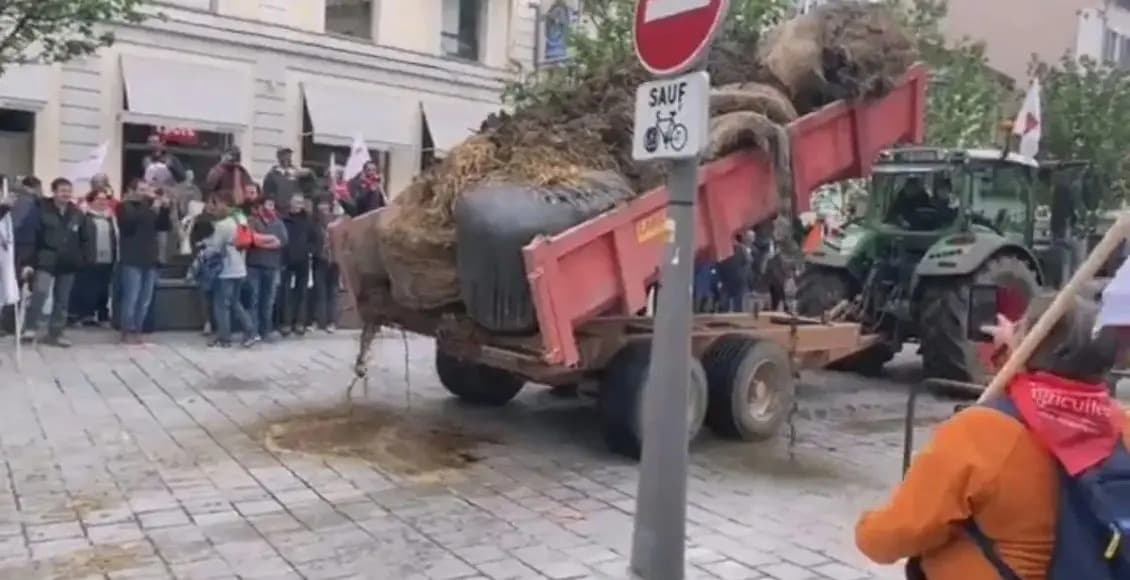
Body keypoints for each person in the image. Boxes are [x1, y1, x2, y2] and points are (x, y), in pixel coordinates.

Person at [856, 294, 1130, 579]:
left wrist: (866, 529)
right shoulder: (1121, 427)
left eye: (1022, 327)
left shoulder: (983, 432)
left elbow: (895, 536)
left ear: (1032, 345)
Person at [23, 178, 88, 347]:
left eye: (68, 190)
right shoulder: (41, 208)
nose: (66, 194)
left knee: (62, 299)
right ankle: (30, 328)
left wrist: (82, 257)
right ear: (54, 192)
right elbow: (33, 234)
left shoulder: (76, 213)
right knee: (40, 293)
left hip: (68, 261)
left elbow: (84, 237)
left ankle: (56, 333)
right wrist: (28, 260)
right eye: (62, 190)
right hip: (45, 258)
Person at [115, 181, 172, 343]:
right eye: (141, 190)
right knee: (131, 297)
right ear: (131, 190)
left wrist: (165, 209)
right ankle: (127, 330)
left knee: (145, 299)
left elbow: (163, 226)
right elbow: (130, 224)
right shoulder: (124, 207)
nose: (145, 193)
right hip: (132, 258)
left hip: (150, 258)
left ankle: (138, 329)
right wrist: (151, 207)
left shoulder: (149, 208)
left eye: (147, 190)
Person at [201, 191, 257, 348]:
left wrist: (205, 247)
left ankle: (225, 337)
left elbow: (215, 248)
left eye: (217, 204)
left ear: (224, 204)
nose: (215, 207)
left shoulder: (223, 225)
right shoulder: (241, 219)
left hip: (226, 269)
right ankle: (250, 332)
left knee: (221, 304)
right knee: (235, 302)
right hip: (240, 267)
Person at [71, 189, 118, 327]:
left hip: (108, 259)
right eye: (99, 199)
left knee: (103, 289)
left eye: (105, 199)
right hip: (89, 259)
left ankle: (103, 315)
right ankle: (85, 315)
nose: (103, 202)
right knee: (87, 288)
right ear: (91, 201)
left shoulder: (111, 218)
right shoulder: (84, 217)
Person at [244, 197, 287, 342]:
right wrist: (270, 240)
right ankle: (252, 332)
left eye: (272, 204)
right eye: (268, 204)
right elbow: (250, 239)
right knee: (254, 300)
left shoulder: (278, 223)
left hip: (272, 266)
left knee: (268, 301)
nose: (271, 207)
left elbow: (282, 242)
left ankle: (265, 331)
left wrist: (262, 243)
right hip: (254, 266)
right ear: (261, 206)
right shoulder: (252, 220)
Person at [279, 194, 317, 336]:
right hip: (286, 260)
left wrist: (309, 250)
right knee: (286, 293)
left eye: (300, 203)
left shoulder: (308, 221)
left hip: (303, 260)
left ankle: (300, 322)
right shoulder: (283, 219)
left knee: (302, 293)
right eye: (295, 202)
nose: (298, 205)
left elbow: (315, 238)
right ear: (290, 203)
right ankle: (286, 323)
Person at [311, 198, 341, 332]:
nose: (322, 206)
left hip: (334, 261)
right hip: (319, 260)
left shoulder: (337, 221)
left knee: (333, 292)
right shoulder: (314, 222)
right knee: (319, 292)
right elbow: (310, 240)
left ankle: (332, 322)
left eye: (325, 204)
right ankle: (318, 321)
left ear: (330, 206)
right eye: (320, 204)